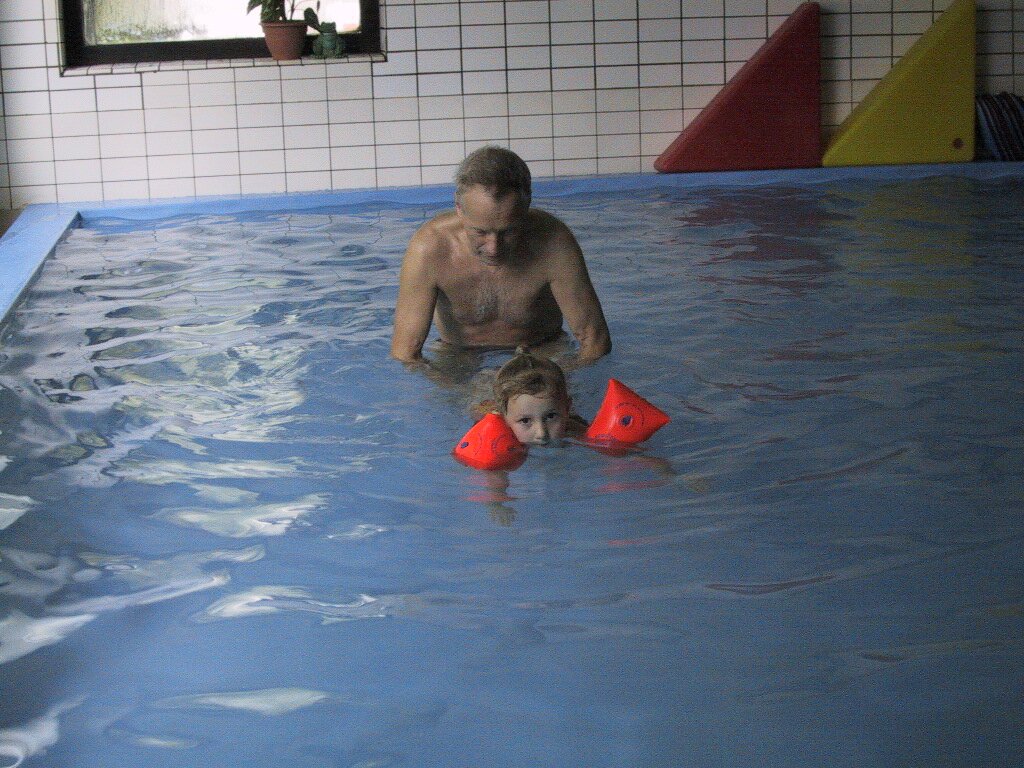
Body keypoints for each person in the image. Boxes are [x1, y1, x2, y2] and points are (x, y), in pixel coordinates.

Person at [391, 145, 611, 368]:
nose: (493, 249)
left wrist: (567, 376)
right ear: (459, 208)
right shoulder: (430, 247)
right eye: (480, 232)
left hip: (542, 349)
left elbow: (594, 340)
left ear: (527, 205)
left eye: (508, 231)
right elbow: (406, 352)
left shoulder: (554, 241)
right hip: (458, 354)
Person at [476, 348, 587, 446]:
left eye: (550, 416)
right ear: (504, 418)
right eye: (525, 420)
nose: (541, 434)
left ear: (567, 409)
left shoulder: (577, 432)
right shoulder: (491, 434)